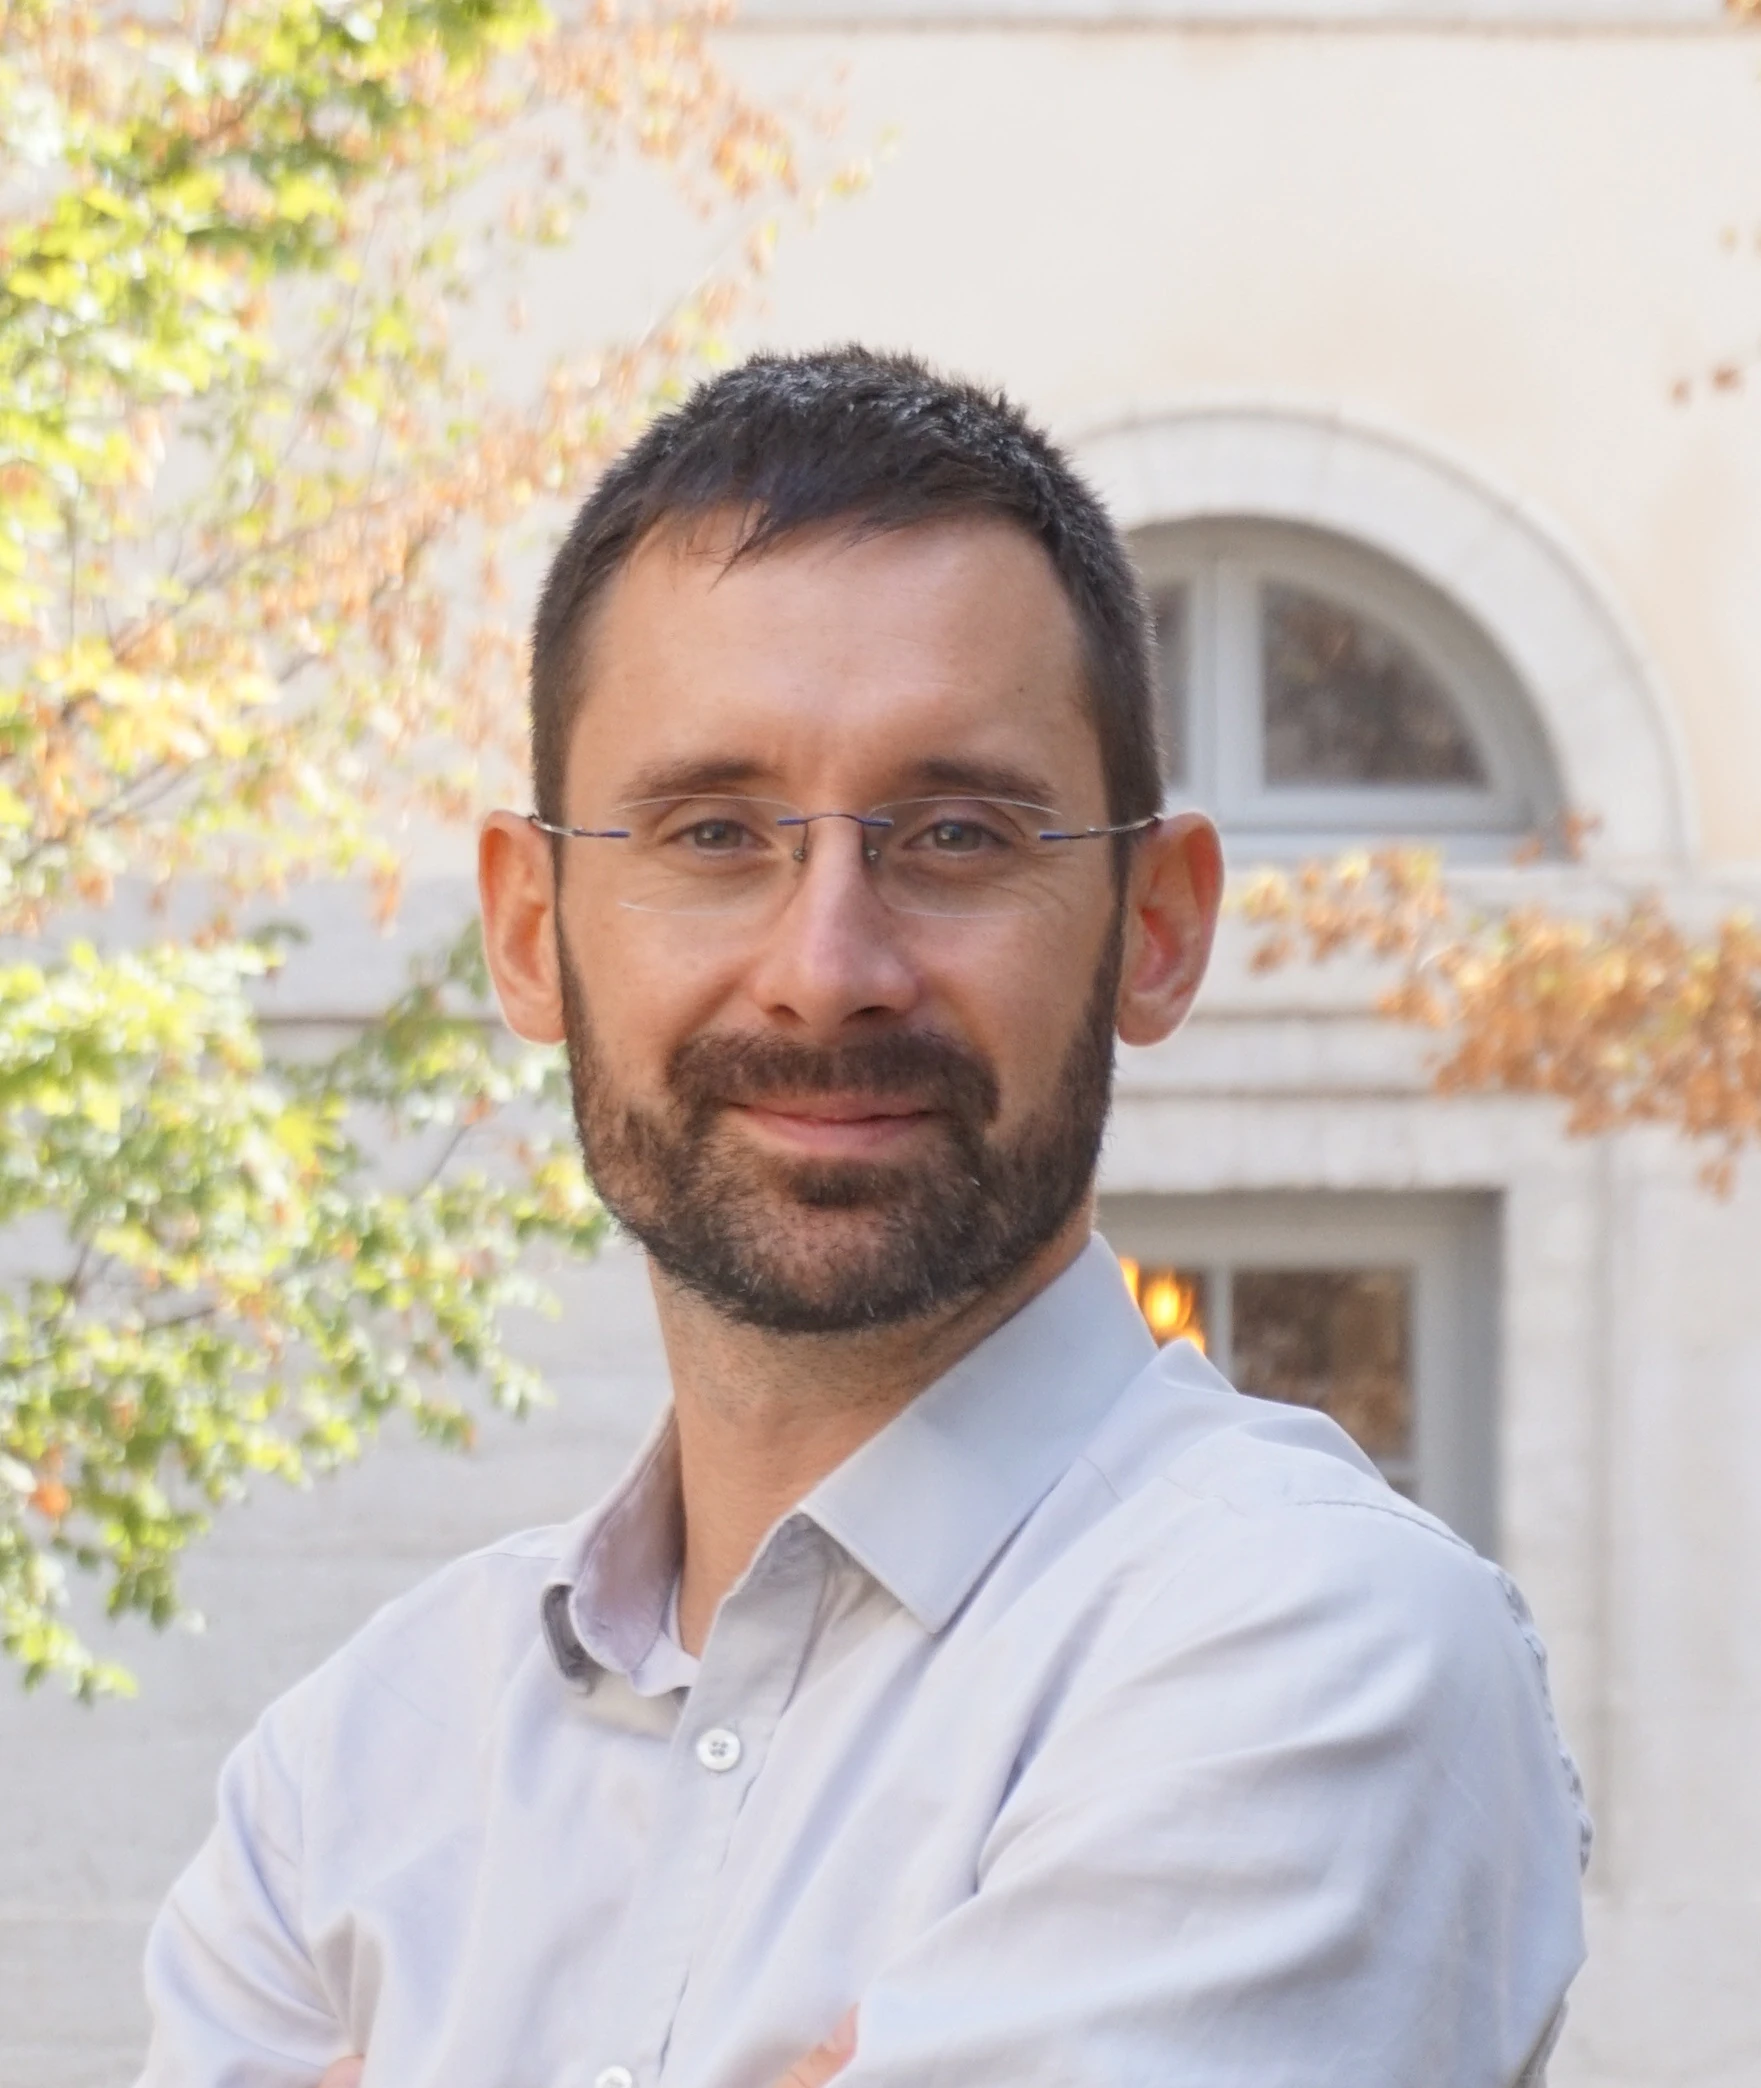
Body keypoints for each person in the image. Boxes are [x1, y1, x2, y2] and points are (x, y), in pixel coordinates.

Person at [136, 347, 1589, 2088]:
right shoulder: (346, 1778)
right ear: (530, 930)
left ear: (1156, 927)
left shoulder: (1319, 1647)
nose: (827, 969)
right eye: (713, 832)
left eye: (957, 833)